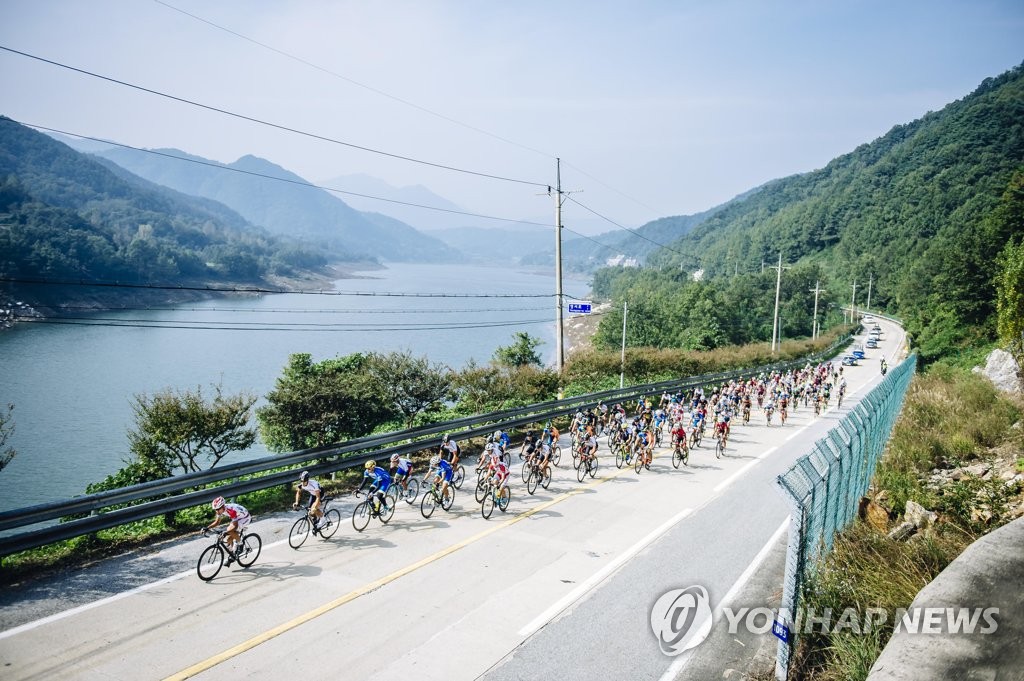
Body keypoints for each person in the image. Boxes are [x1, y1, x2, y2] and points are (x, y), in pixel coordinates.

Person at [205, 496, 251, 566]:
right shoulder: (220, 510)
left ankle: (240, 544)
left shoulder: (231, 510)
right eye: (215, 509)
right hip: (237, 517)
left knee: (229, 531)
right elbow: (217, 522)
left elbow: (235, 526)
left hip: (244, 518)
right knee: (229, 539)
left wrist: (226, 532)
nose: (217, 511)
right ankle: (233, 554)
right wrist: (207, 528)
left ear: (223, 506)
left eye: (218, 509)